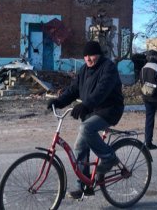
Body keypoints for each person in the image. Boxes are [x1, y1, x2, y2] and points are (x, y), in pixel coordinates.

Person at [47, 40, 125, 199]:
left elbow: (102, 91)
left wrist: (86, 105)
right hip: (92, 111)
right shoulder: (84, 70)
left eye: (92, 55)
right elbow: (73, 90)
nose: (89, 59)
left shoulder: (108, 67)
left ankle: (109, 157)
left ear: (99, 55)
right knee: (80, 146)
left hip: (109, 110)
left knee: (86, 128)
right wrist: (59, 101)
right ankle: (83, 186)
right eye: (86, 56)